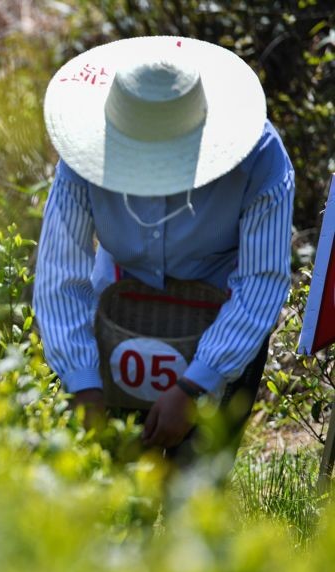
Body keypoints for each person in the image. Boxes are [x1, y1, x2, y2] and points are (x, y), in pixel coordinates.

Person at [33, 36, 294, 461]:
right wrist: (83, 381)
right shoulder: (81, 158)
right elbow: (61, 272)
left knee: (191, 494)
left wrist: (194, 386)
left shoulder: (260, 157)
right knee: (110, 483)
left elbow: (261, 281)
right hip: (117, 309)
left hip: (223, 319)